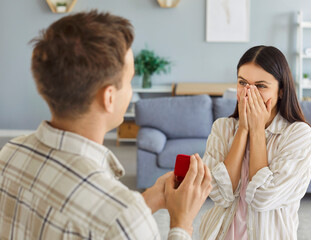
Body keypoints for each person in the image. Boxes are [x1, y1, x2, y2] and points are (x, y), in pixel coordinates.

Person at [0, 11, 212, 239]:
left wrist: (150, 198)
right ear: (108, 97)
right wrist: (182, 223)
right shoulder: (124, 217)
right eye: (130, 80)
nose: (131, 90)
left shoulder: (9, 154)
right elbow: (116, 222)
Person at [200, 46, 311, 240]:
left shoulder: (298, 134)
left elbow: (263, 197)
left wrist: (256, 130)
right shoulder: (222, 128)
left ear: (281, 90)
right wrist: (243, 130)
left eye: (261, 86)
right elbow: (218, 194)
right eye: (242, 83)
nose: (248, 94)